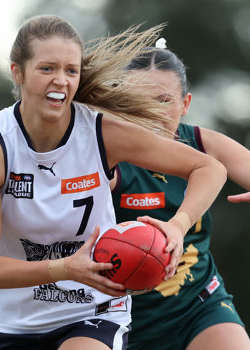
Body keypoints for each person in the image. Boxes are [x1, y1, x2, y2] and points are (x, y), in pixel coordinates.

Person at [0, 15, 227, 350]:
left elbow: (209, 168)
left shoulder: (101, 133)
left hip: (95, 312)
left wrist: (178, 225)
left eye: (71, 70)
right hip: (17, 325)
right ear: (17, 72)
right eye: (47, 69)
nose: (60, 80)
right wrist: (64, 269)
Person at [111, 43, 250, 350]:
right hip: (120, 318)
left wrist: (178, 224)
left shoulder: (202, 143)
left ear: (185, 103)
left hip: (198, 303)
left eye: (164, 101)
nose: (152, 114)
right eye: (137, 102)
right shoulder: (106, 156)